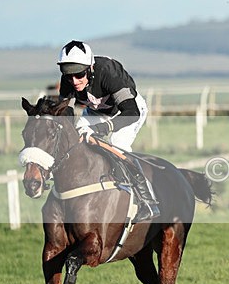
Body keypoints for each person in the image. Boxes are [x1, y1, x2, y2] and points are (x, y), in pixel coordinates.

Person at [57, 40, 160, 222]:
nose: (74, 81)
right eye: (68, 75)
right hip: (97, 112)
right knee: (75, 141)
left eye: (79, 74)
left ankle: (147, 201)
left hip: (127, 111)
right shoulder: (69, 80)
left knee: (117, 145)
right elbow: (66, 113)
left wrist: (101, 129)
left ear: (90, 68)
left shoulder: (108, 72)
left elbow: (131, 112)